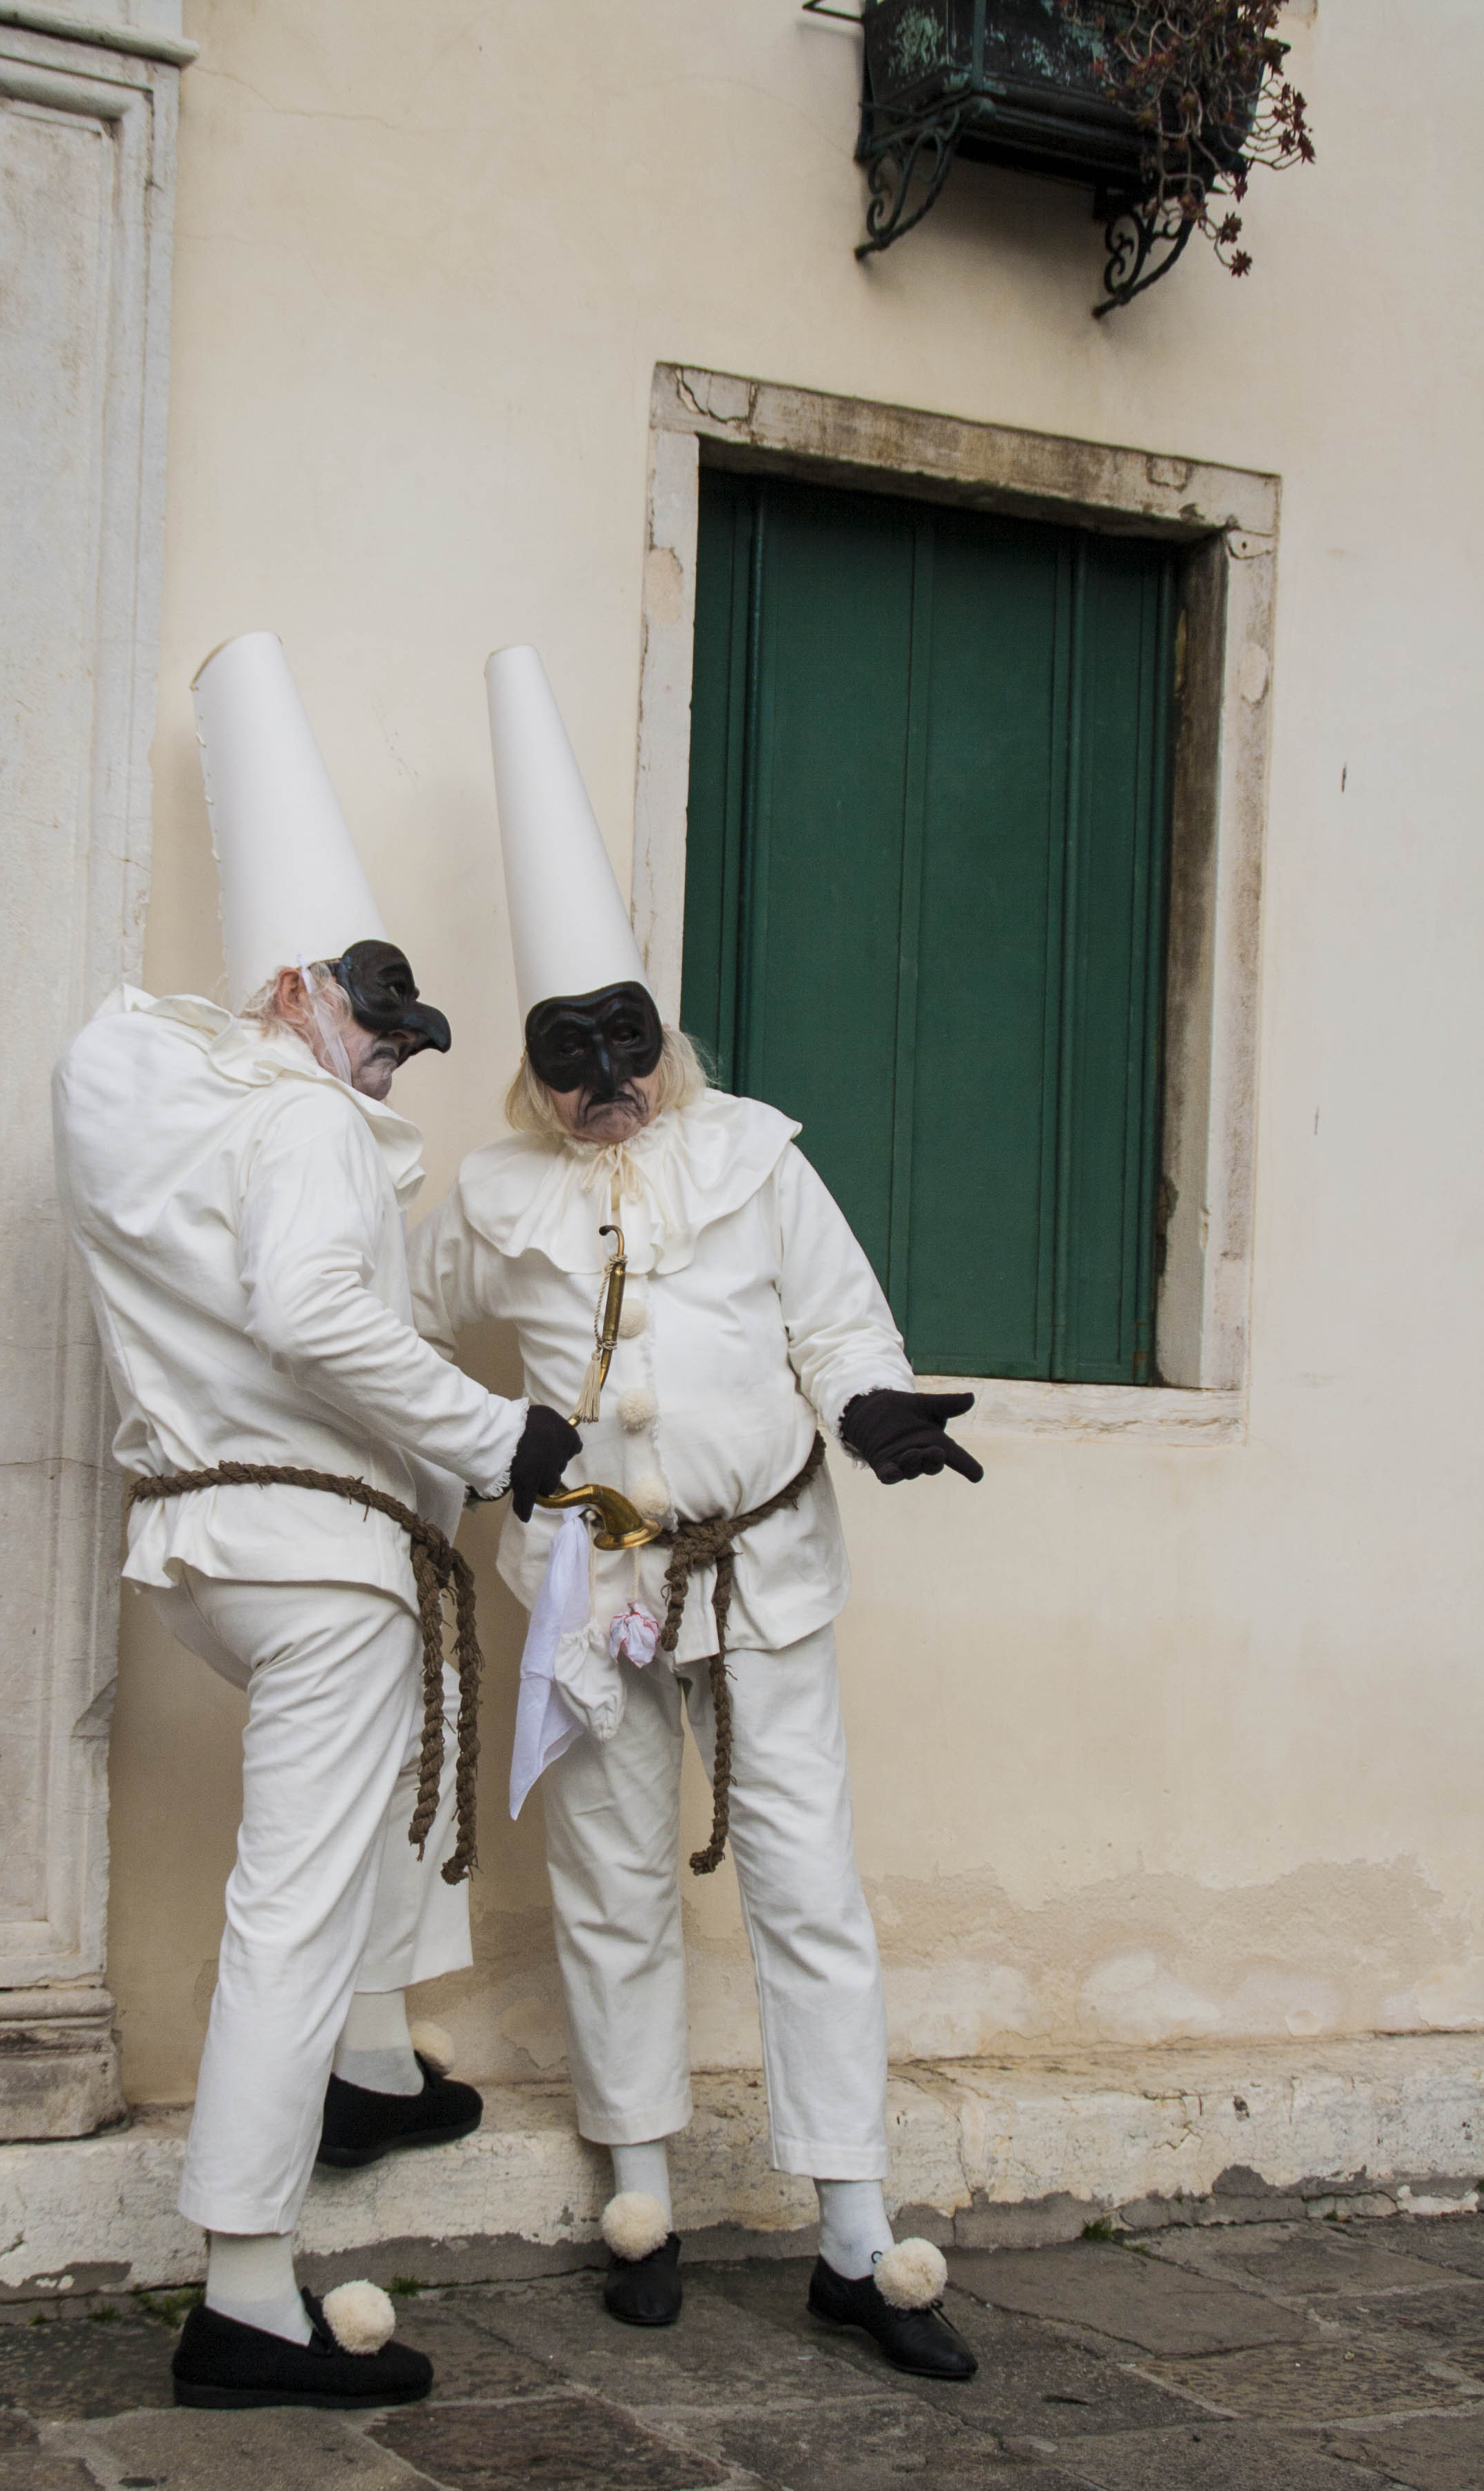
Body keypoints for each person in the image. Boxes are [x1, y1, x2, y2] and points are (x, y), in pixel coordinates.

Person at [409, 645, 982, 2380]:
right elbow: (390, 1339)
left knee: (809, 1885)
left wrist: (872, 1407)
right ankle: (639, 2195)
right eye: (571, 1054)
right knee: (608, 1883)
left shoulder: (752, 1153)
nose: (608, 1077)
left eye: (627, 1042)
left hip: (764, 1581)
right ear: (532, 1065)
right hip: (594, 1589)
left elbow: (837, 1312)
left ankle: (854, 2231)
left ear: (664, 1035)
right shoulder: (489, 1196)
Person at [53, 633, 580, 2408]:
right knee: (289, 1899)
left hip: (215, 1550)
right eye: (371, 1019)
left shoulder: (186, 1129)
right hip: (321, 1558)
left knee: (337, 1856)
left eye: (404, 1041)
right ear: (290, 990)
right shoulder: (293, 1126)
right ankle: (250, 2290)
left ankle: (363, 2068)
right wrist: (504, 1432)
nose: (386, 1062)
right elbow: (318, 1322)